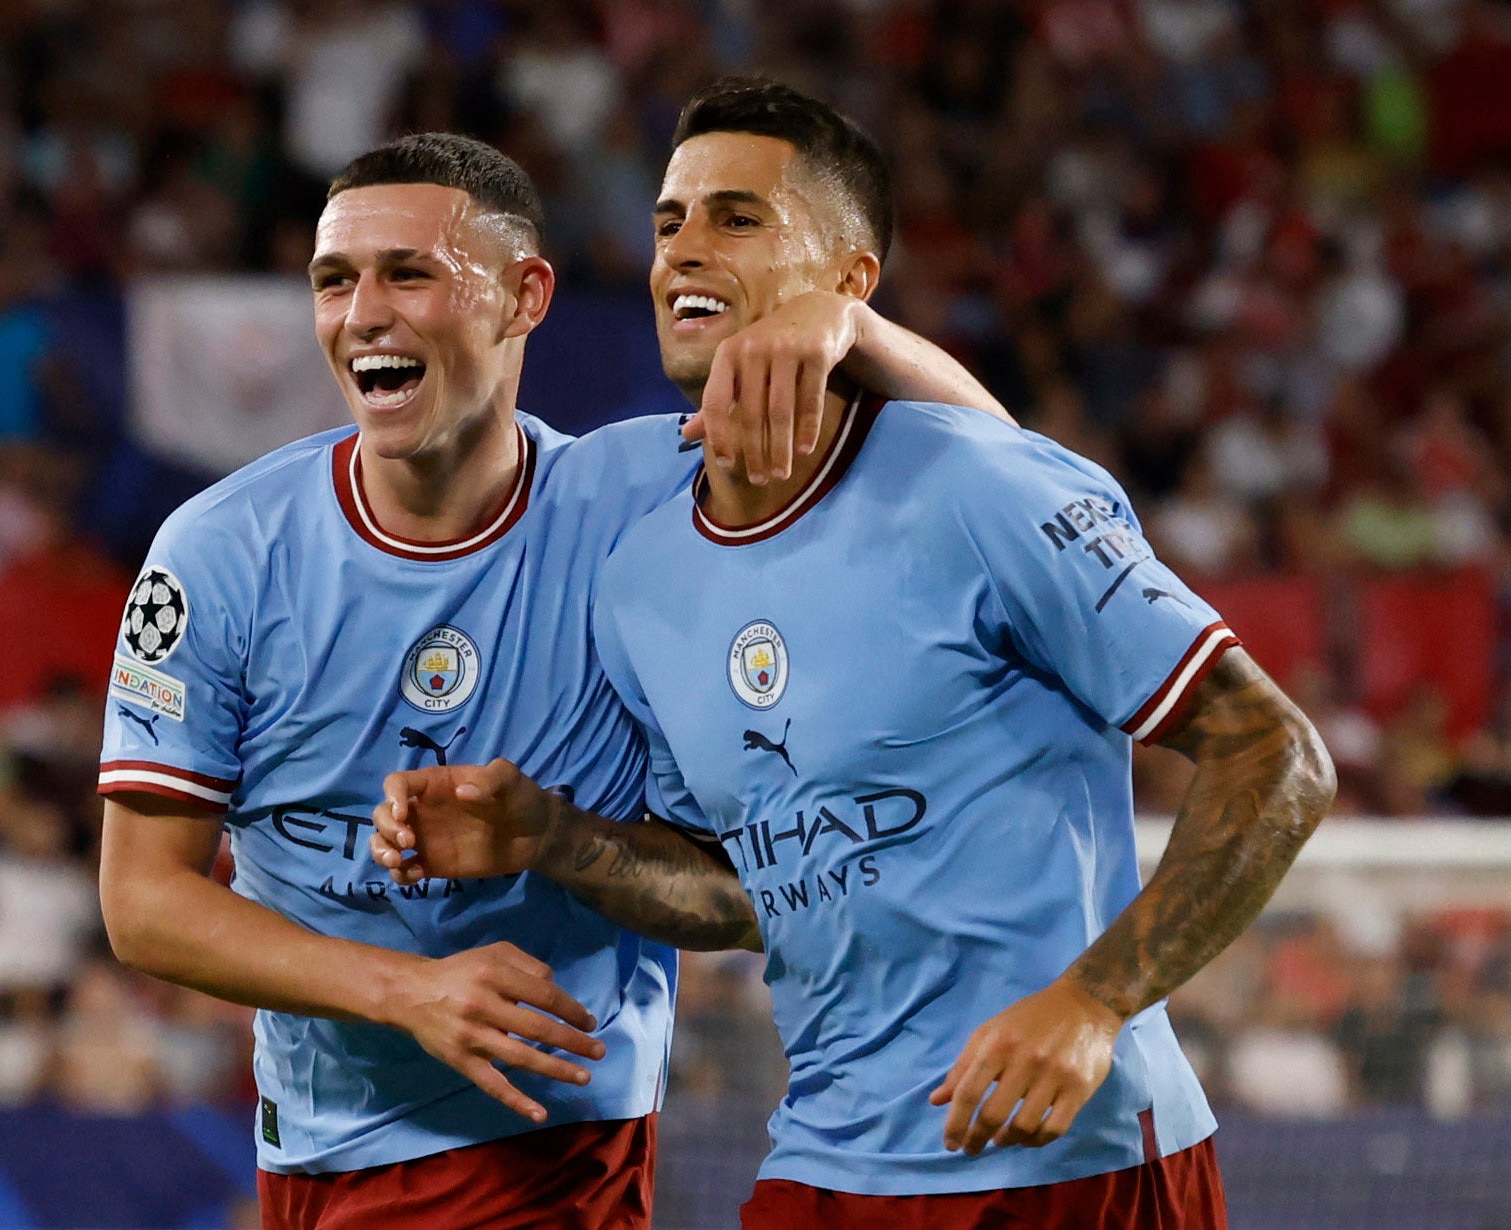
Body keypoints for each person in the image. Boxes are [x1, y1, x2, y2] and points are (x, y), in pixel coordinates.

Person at [372, 80, 1337, 1228]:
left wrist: (1094, 1001)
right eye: (670, 220)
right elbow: (744, 895)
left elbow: (1276, 753)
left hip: (1066, 1161)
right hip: (826, 1167)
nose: (685, 247)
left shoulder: (976, 482)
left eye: (738, 217)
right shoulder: (639, 577)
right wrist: (549, 836)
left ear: (850, 283)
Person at [96, 132, 1010, 1229]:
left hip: (565, 1150)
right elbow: (143, 900)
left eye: (410, 274)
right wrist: (410, 993)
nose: (363, 315)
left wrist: (849, 328)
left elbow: (1002, 494)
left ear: (525, 296)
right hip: (323, 1156)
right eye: (335, 282)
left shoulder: (649, 496)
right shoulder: (217, 552)